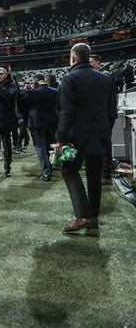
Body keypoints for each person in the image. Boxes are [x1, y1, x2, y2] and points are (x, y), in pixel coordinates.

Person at [56, 43, 114, 232]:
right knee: (94, 175)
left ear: (73, 59)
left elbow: (67, 112)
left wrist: (61, 138)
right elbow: (111, 112)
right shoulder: (106, 78)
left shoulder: (69, 78)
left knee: (68, 170)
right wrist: (105, 130)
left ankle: (83, 215)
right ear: (88, 58)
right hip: (101, 134)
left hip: (78, 136)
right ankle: (93, 216)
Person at [19, 74, 59, 181]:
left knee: (40, 147)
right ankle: (51, 168)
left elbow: (23, 106)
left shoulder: (31, 92)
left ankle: (46, 172)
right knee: (50, 146)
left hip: (36, 123)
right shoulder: (55, 91)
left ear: (35, 82)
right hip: (52, 122)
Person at [89, 54, 118, 183]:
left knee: (104, 143)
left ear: (97, 63)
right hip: (106, 114)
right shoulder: (106, 75)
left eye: (90, 62)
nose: (89, 65)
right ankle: (104, 171)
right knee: (102, 142)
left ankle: (105, 174)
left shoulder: (105, 75)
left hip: (106, 115)